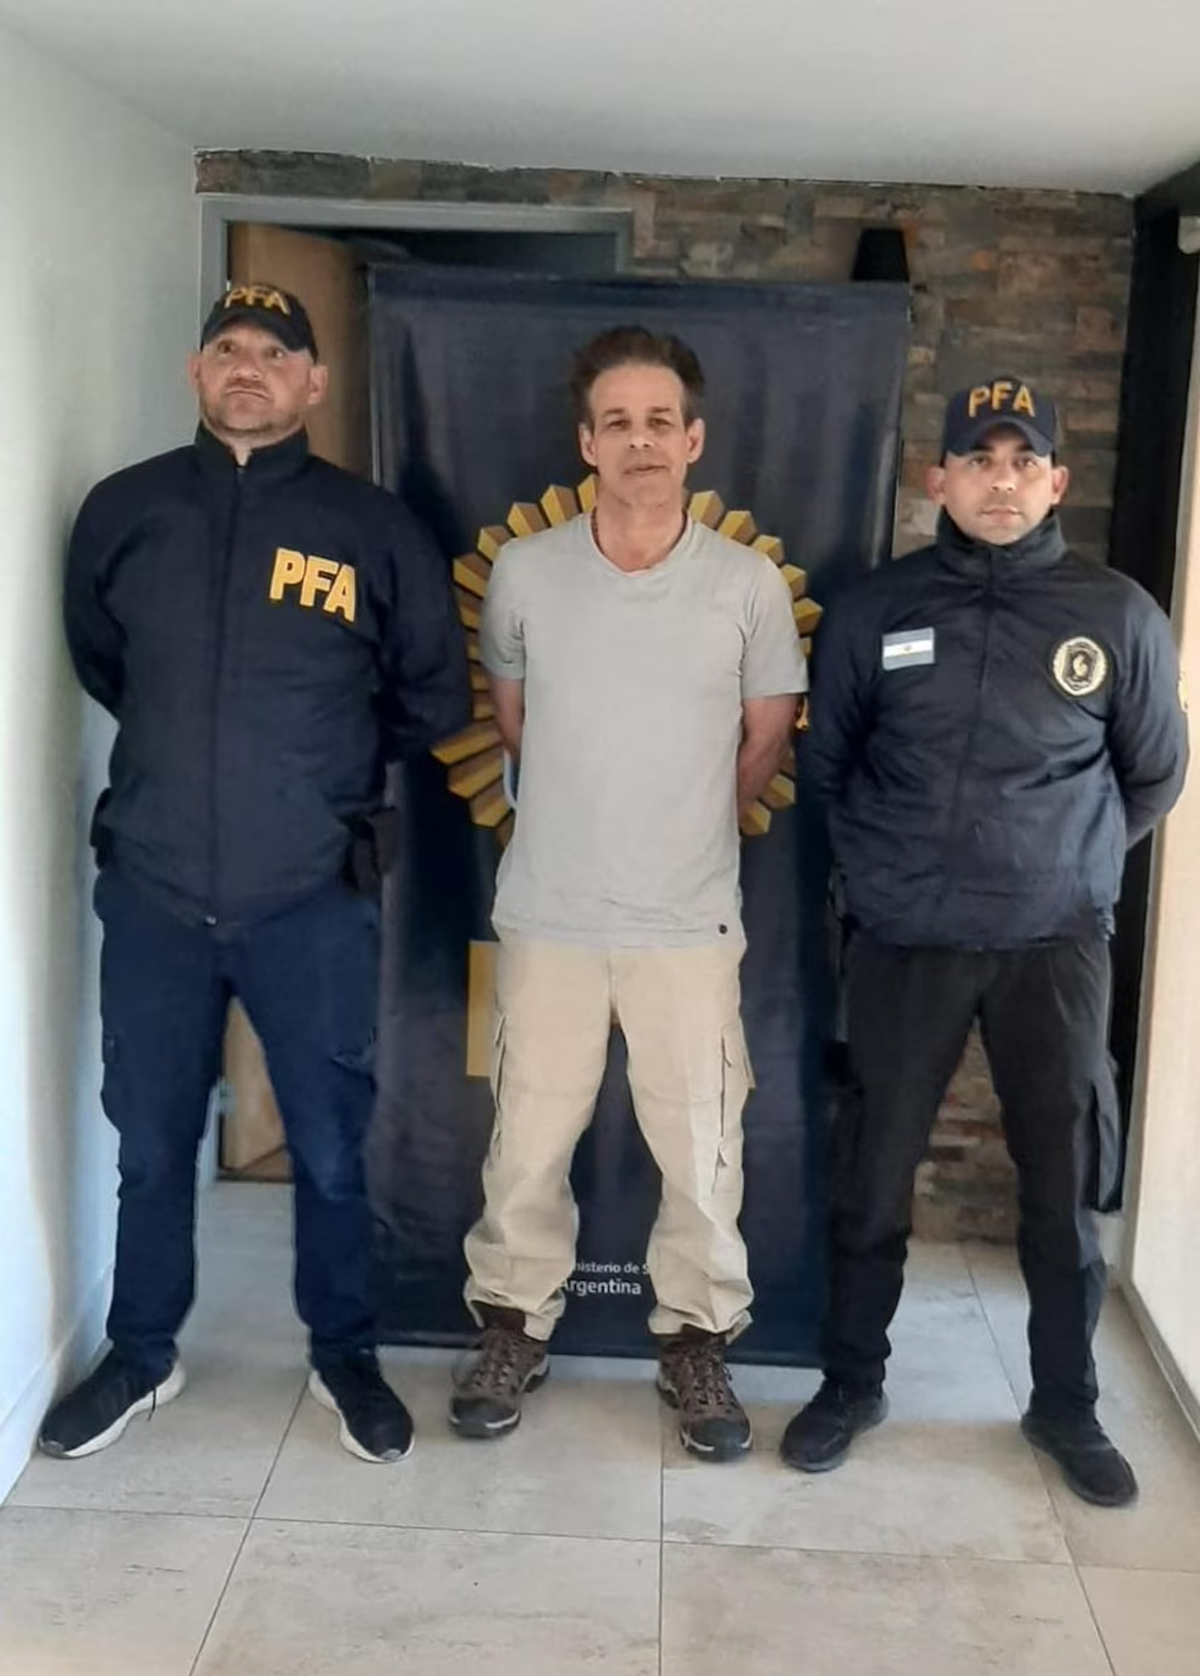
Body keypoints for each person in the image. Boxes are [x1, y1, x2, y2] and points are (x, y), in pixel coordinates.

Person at [41, 283, 469, 1464]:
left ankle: (345, 1355)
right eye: (227, 347)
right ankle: (141, 1353)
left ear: (312, 383)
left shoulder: (372, 529)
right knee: (150, 1144)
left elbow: (431, 694)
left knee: (330, 1147)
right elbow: (105, 660)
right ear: (197, 372)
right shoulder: (125, 511)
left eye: (275, 353)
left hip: (310, 895)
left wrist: (313, 775)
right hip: (156, 888)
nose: (248, 366)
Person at [783, 375, 1188, 1506]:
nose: (1000, 481)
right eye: (978, 459)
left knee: (1063, 1190)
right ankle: (850, 1384)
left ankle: (1066, 1405)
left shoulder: (1118, 615)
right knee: (872, 1180)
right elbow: (826, 768)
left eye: (1023, 462)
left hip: (1053, 945)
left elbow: (1155, 774)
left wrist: (1072, 861)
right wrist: (886, 876)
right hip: (905, 940)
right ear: (939, 480)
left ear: (1056, 482)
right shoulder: (875, 609)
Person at [449, 325, 806, 1460]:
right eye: (618, 422)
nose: (640, 440)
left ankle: (695, 1341)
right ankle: (513, 1328)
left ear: (693, 441)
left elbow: (765, 737)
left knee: (701, 1149)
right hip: (549, 913)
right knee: (525, 1141)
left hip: (687, 922)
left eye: (660, 421)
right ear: (586, 442)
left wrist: (680, 827)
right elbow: (517, 723)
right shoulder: (526, 573)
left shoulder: (746, 586)